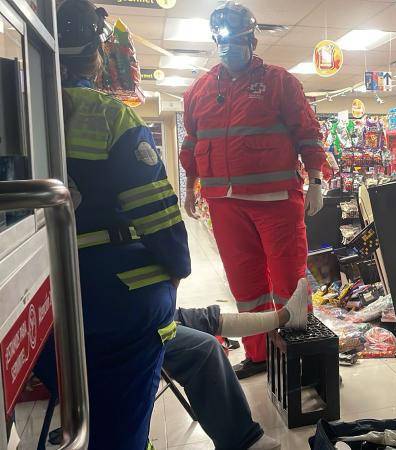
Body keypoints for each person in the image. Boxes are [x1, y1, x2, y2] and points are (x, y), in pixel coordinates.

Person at [54, 1, 191, 447]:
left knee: (77, 413)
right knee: (121, 425)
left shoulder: (13, 112)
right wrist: (176, 272)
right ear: (96, 56)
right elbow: (157, 213)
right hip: (115, 301)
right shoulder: (108, 115)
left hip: (33, 309)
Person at [180, 1, 325, 379]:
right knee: (246, 286)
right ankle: (259, 354)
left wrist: (316, 180)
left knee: (289, 282)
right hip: (224, 203)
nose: (229, 46)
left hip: (276, 200)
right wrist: (189, 186)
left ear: (252, 40)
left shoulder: (280, 82)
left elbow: (308, 133)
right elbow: (192, 143)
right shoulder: (199, 90)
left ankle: (298, 355)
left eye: (238, 39)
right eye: (222, 40)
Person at [162, 278, 309, 450]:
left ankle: (283, 317)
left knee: (197, 318)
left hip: (132, 314)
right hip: (131, 328)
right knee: (204, 348)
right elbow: (179, 264)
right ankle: (241, 442)